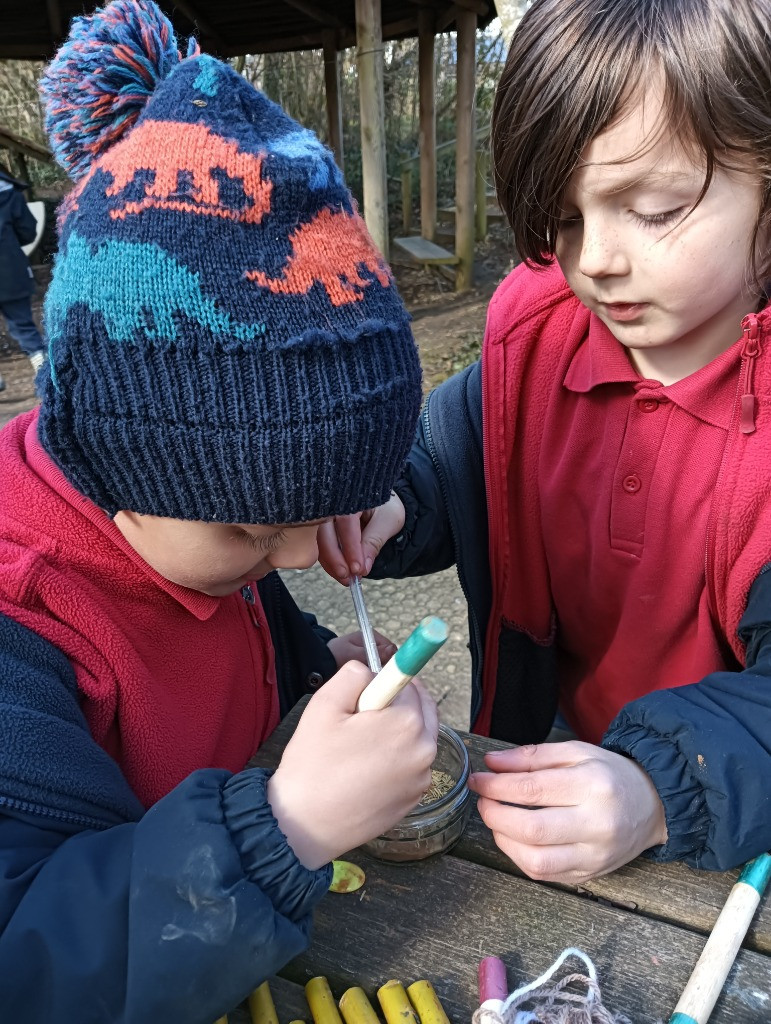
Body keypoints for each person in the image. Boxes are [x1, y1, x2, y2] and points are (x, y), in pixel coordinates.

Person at [0, 2, 435, 1021]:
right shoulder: (24, 623)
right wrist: (281, 827)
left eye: (318, 513)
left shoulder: (185, 538)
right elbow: (26, 962)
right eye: (252, 532)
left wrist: (309, 664)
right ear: (113, 450)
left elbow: (229, 642)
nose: (289, 557)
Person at [320, 0, 771, 886]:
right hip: (550, 742)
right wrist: (395, 497)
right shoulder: (537, 334)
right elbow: (464, 459)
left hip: (723, 809)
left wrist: (660, 786)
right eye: (562, 219)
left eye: (653, 208)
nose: (594, 259)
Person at [0, 167, 47, 375]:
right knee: (23, 325)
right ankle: (43, 368)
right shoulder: (9, 193)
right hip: (9, 269)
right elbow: (28, 232)